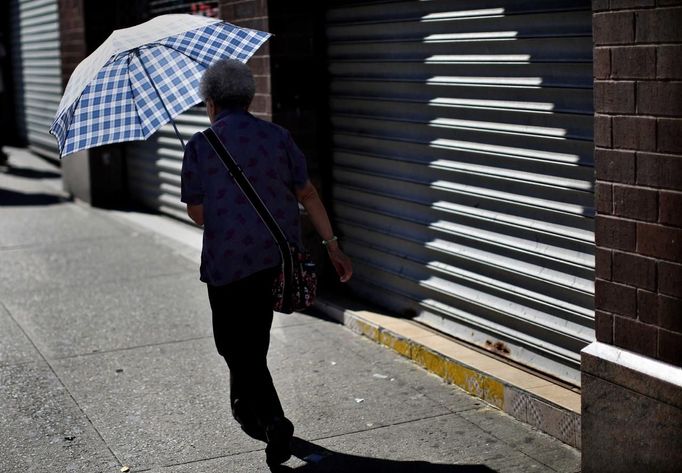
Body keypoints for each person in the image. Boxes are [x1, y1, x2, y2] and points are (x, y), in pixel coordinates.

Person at [180, 59, 353, 467]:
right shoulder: (277, 136)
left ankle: (274, 420)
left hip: (226, 264)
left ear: (210, 102)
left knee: (232, 345)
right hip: (273, 259)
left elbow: (199, 214)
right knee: (253, 341)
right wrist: (332, 246)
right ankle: (244, 407)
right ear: (249, 96)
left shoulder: (200, 144)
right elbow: (307, 195)